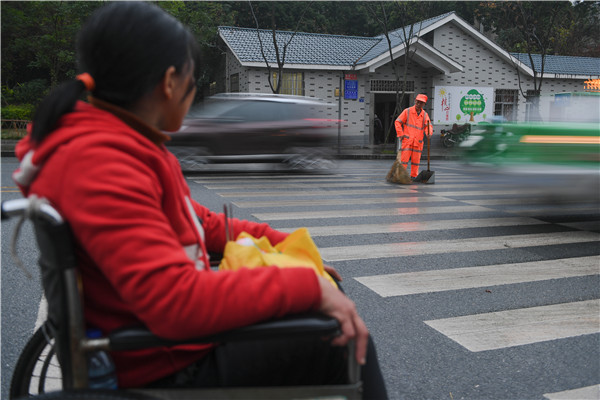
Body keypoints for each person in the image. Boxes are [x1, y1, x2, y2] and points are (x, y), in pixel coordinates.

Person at [12, 2, 387, 398]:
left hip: (162, 343)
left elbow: (197, 222)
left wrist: (284, 244)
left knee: (321, 301)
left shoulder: (115, 143)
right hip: (165, 363)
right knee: (345, 342)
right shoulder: (101, 163)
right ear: (171, 82)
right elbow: (175, 302)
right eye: (194, 81)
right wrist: (308, 286)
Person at [394, 94, 433, 180]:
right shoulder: (407, 111)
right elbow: (397, 122)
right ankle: (402, 176)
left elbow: (428, 125)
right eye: (418, 101)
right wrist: (400, 134)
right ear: (415, 101)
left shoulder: (424, 115)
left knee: (416, 161)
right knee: (404, 161)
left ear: (424, 104)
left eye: (421, 103)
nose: (419, 104)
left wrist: (429, 133)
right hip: (407, 141)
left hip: (418, 142)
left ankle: (414, 176)